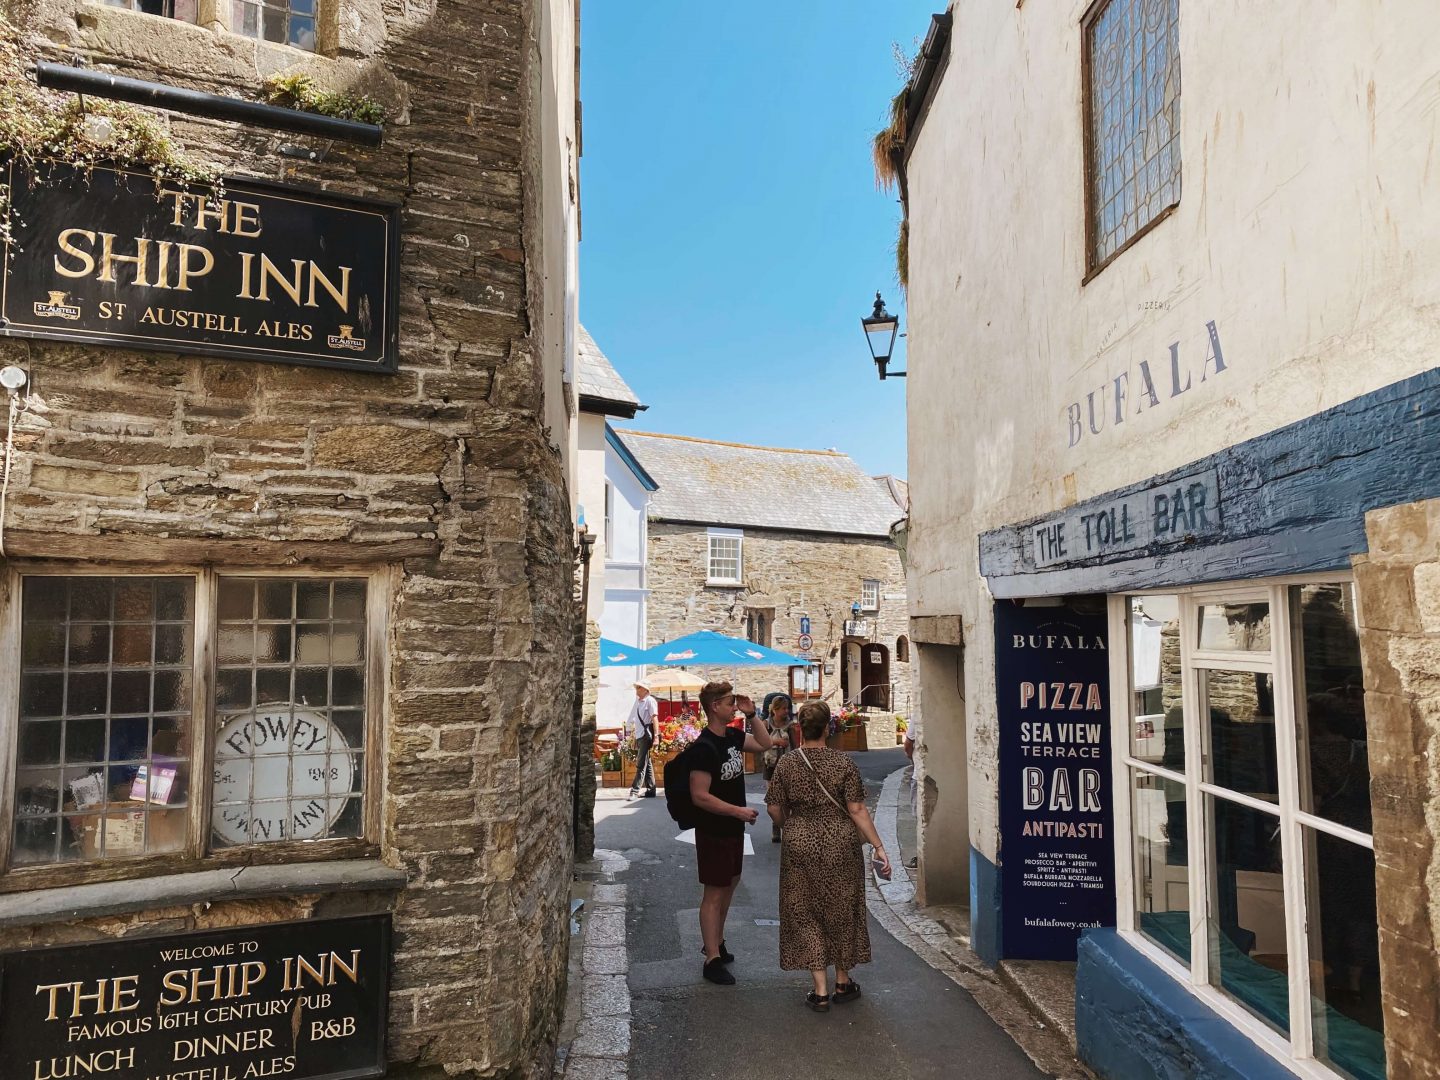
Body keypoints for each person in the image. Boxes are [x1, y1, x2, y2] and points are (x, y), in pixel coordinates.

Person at [765, 700, 890, 1012]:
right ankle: (842, 981)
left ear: (799, 729)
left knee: (804, 911)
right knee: (841, 907)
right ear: (828, 728)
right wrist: (878, 845)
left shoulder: (788, 764)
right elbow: (857, 809)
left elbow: (773, 807)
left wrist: (790, 826)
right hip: (840, 843)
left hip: (798, 843)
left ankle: (819, 989)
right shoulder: (843, 762)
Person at [689, 679, 774, 985]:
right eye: (729, 702)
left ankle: (717, 942)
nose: (734, 706)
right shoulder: (703, 747)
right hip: (713, 828)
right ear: (714, 707)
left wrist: (752, 715)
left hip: (734, 828)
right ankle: (711, 959)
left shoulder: (734, 737)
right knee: (713, 892)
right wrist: (737, 811)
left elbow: (765, 744)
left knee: (729, 885)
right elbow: (700, 795)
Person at [760, 692, 796, 842]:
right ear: (774, 710)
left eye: (787, 708)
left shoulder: (790, 725)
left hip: (787, 765)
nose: (785, 711)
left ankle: (787, 827)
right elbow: (760, 742)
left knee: (787, 799)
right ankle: (776, 826)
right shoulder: (766, 724)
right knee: (773, 799)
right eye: (782, 709)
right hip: (770, 765)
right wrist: (776, 742)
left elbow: (794, 745)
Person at [626, 681, 659, 798]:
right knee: (647, 762)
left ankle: (634, 791)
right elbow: (638, 721)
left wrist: (656, 737)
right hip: (641, 735)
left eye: (639, 687)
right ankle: (651, 789)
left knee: (640, 764)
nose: (637, 689)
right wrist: (635, 736)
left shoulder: (650, 701)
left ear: (645, 689)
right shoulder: (640, 702)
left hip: (646, 736)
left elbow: (654, 719)